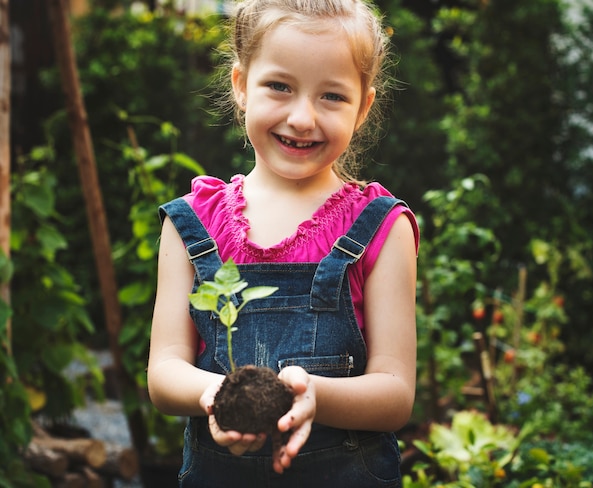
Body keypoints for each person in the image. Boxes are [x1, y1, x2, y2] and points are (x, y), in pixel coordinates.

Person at [147, 0, 419, 486]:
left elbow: (396, 394)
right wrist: (220, 397)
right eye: (279, 86)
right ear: (241, 86)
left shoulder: (381, 227)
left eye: (332, 96)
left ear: (363, 109)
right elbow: (165, 373)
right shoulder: (192, 224)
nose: (301, 117)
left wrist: (315, 393)